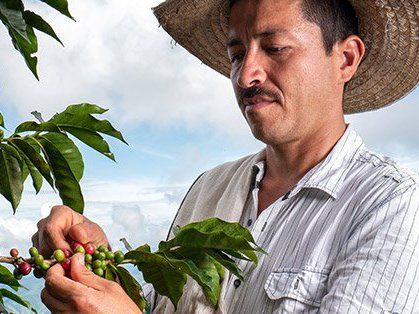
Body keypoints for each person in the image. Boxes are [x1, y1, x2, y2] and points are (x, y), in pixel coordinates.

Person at [34, 0, 419, 312]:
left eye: (275, 49)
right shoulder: (208, 188)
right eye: (237, 53)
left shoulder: (390, 205)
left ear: (346, 59)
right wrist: (105, 275)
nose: (246, 75)